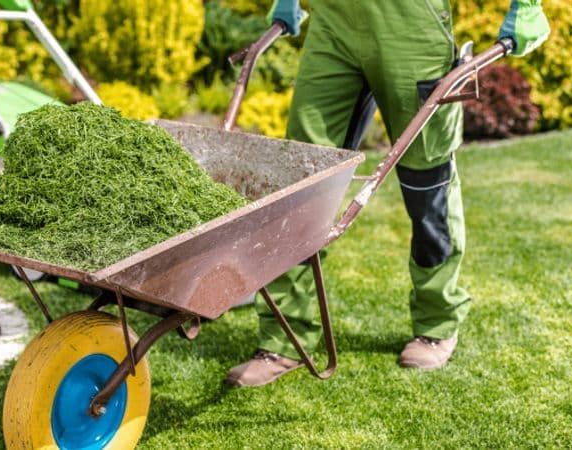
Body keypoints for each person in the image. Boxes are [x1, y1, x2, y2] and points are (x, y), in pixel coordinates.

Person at [226, 0, 549, 387]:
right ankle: (284, 338)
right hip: (333, 22)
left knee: (426, 185)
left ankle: (436, 322)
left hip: (410, 28)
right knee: (301, 178)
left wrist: (527, 6)